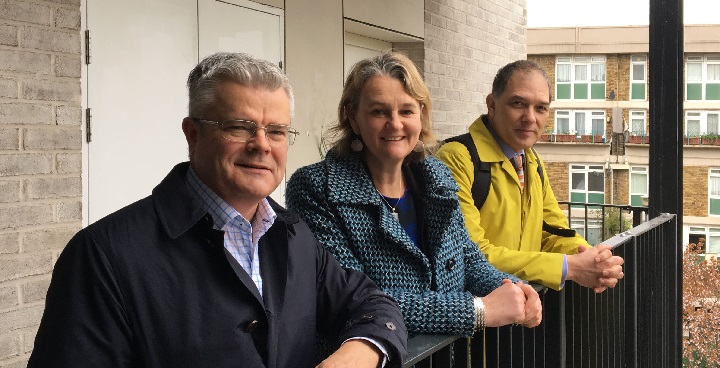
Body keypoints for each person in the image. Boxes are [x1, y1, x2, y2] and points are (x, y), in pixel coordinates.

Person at [28, 52, 407, 368]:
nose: (262, 145)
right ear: (192, 133)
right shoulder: (102, 256)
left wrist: (360, 352)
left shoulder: (295, 237)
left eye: (276, 131)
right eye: (240, 128)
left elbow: (373, 303)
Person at [286, 52, 542, 338]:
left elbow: (468, 259)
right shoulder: (315, 188)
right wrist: (478, 310)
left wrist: (513, 288)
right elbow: (353, 298)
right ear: (353, 118)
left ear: (421, 116)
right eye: (379, 111)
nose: (395, 124)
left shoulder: (436, 177)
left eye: (406, 111)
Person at [435, 60, 624, 292]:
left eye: (541, 108)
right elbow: (470, 252)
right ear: (491, 104)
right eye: (518, 104)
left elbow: (553, 231)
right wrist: (568, 267)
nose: (530, 117)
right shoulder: (455, 159)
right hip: (475, 315)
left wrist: (593, 260)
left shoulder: (531, 160)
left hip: (520, 313)